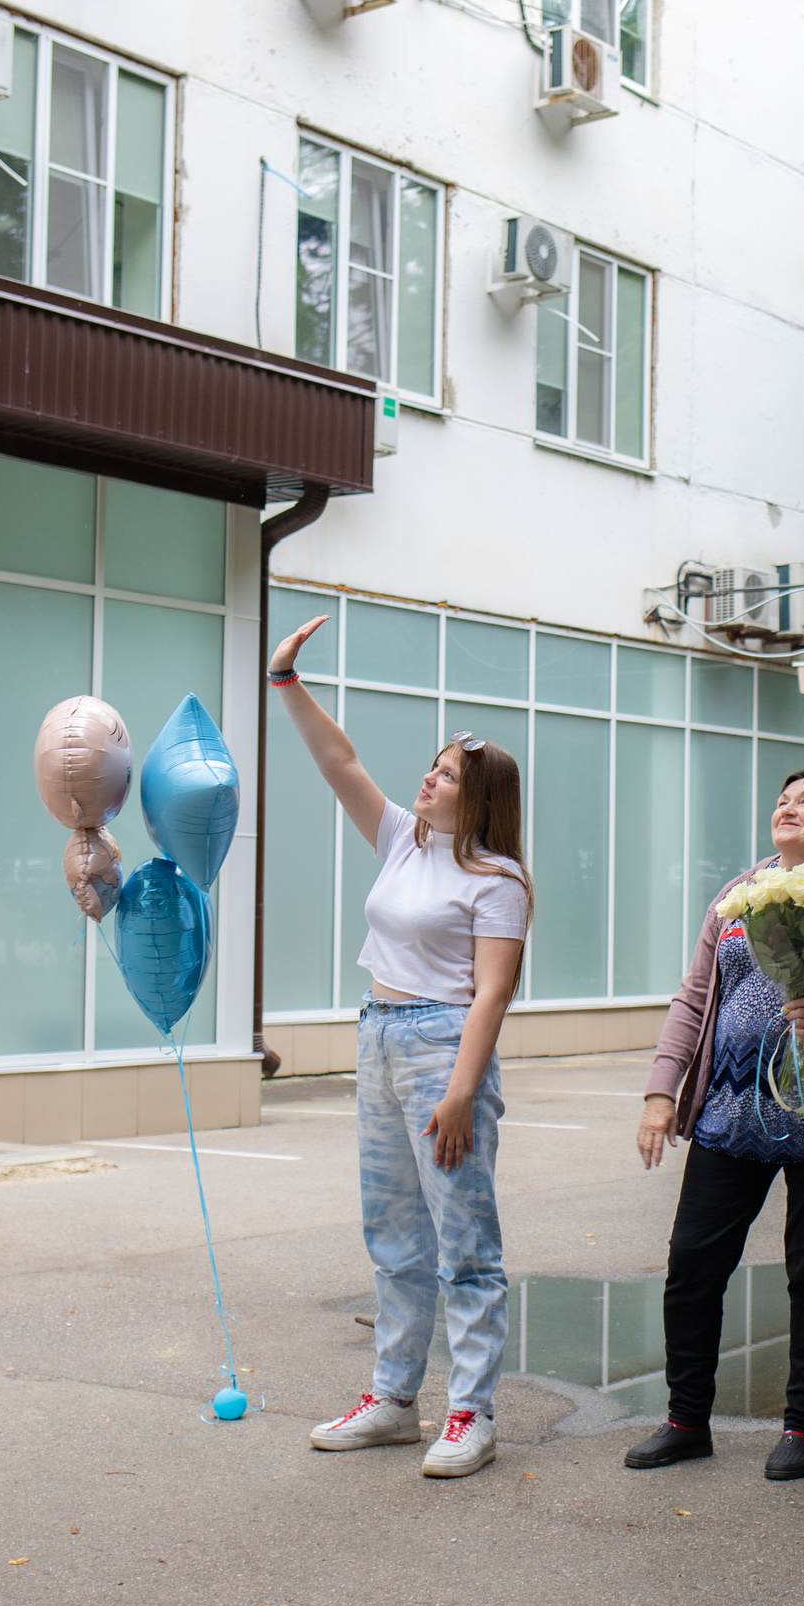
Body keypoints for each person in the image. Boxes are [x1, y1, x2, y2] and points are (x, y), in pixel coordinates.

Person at [269, 615, 531, 1479]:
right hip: (378, 1038)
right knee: (392, 1233)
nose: (428, 778)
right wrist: (288, 683)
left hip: (441, 1046)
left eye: (446, 774)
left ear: (480, 795)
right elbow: (341, 764)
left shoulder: (498, 878)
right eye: (432, 766)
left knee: (464, 1239)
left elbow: (493, 990)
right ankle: (391, 1399)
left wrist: (460, 1090)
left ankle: (471, 1412)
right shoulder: (403, 840)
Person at [625, 772, 804, 1482]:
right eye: (781, 798)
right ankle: (686, 1419)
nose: (786, 806)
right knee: (693, 1265)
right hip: (729, 1108)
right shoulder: (735, 897)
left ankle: (802, 1427)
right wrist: (661, 1091)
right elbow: (694, 997)